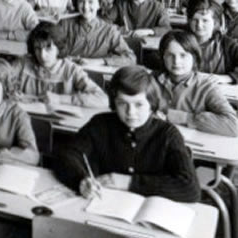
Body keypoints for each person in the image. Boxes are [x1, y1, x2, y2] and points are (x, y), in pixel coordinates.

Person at [54, 65, 200, 203]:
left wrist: (129, 182)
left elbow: (190, 188)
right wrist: (80, 180)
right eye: (122, 103)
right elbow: (67, 155)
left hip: (148, 214)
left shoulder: (168, 134)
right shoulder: (100, 124)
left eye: (139, 104)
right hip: (103, 205)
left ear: (152, 104)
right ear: (114, 103)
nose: (131, 112)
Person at [151, 30, 238, 137]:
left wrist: (185, 118)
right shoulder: (152, 80)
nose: (176, 62)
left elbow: (233, 126)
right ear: (163, 57)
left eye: (183, 55)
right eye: (170, 55)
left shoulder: (206, 85)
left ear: (194, 57)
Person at [13, 22, 108, 108]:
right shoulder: (23, 63)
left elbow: (103, 100)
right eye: (37, 48)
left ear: (58, 48)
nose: (42, 55)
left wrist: (60, 99)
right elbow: (0, 82)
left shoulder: (71, 70)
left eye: (48, 48)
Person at [186, 0, 238, 84]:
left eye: (205, 21)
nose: (199, 25)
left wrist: (226, 78)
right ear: (189, 20)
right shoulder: (179, 40)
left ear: (215, 22)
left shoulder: (226, 44)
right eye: (195, 20)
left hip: (216, 92)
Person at [58, 0, 136, 67]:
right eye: (81, 1)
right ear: (76, 3)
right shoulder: (64, 25)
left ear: (99, 4)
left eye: (90, 2)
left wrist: (100, 61)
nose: (86, 7)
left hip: (96, 76)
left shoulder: (109, 30)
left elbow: (131, 59)